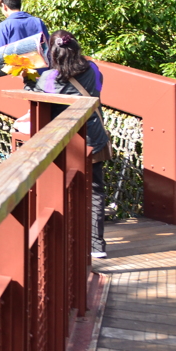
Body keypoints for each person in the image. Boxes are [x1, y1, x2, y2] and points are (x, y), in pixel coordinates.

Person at [34, 30, 109, 258]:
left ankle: (66, 244)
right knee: (95, 190)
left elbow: (39, 99)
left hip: (63, 143)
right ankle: (96, 245)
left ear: (53, 54)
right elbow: (99, 88)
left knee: (60, 189)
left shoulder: (48, 79)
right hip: (92, 138)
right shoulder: (93, 69)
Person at [0, 0, 50, 77]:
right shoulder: (38, 22)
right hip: (42, 76)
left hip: (18, 77)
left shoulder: (3, 27)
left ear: (4, 6)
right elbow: (48, 48)